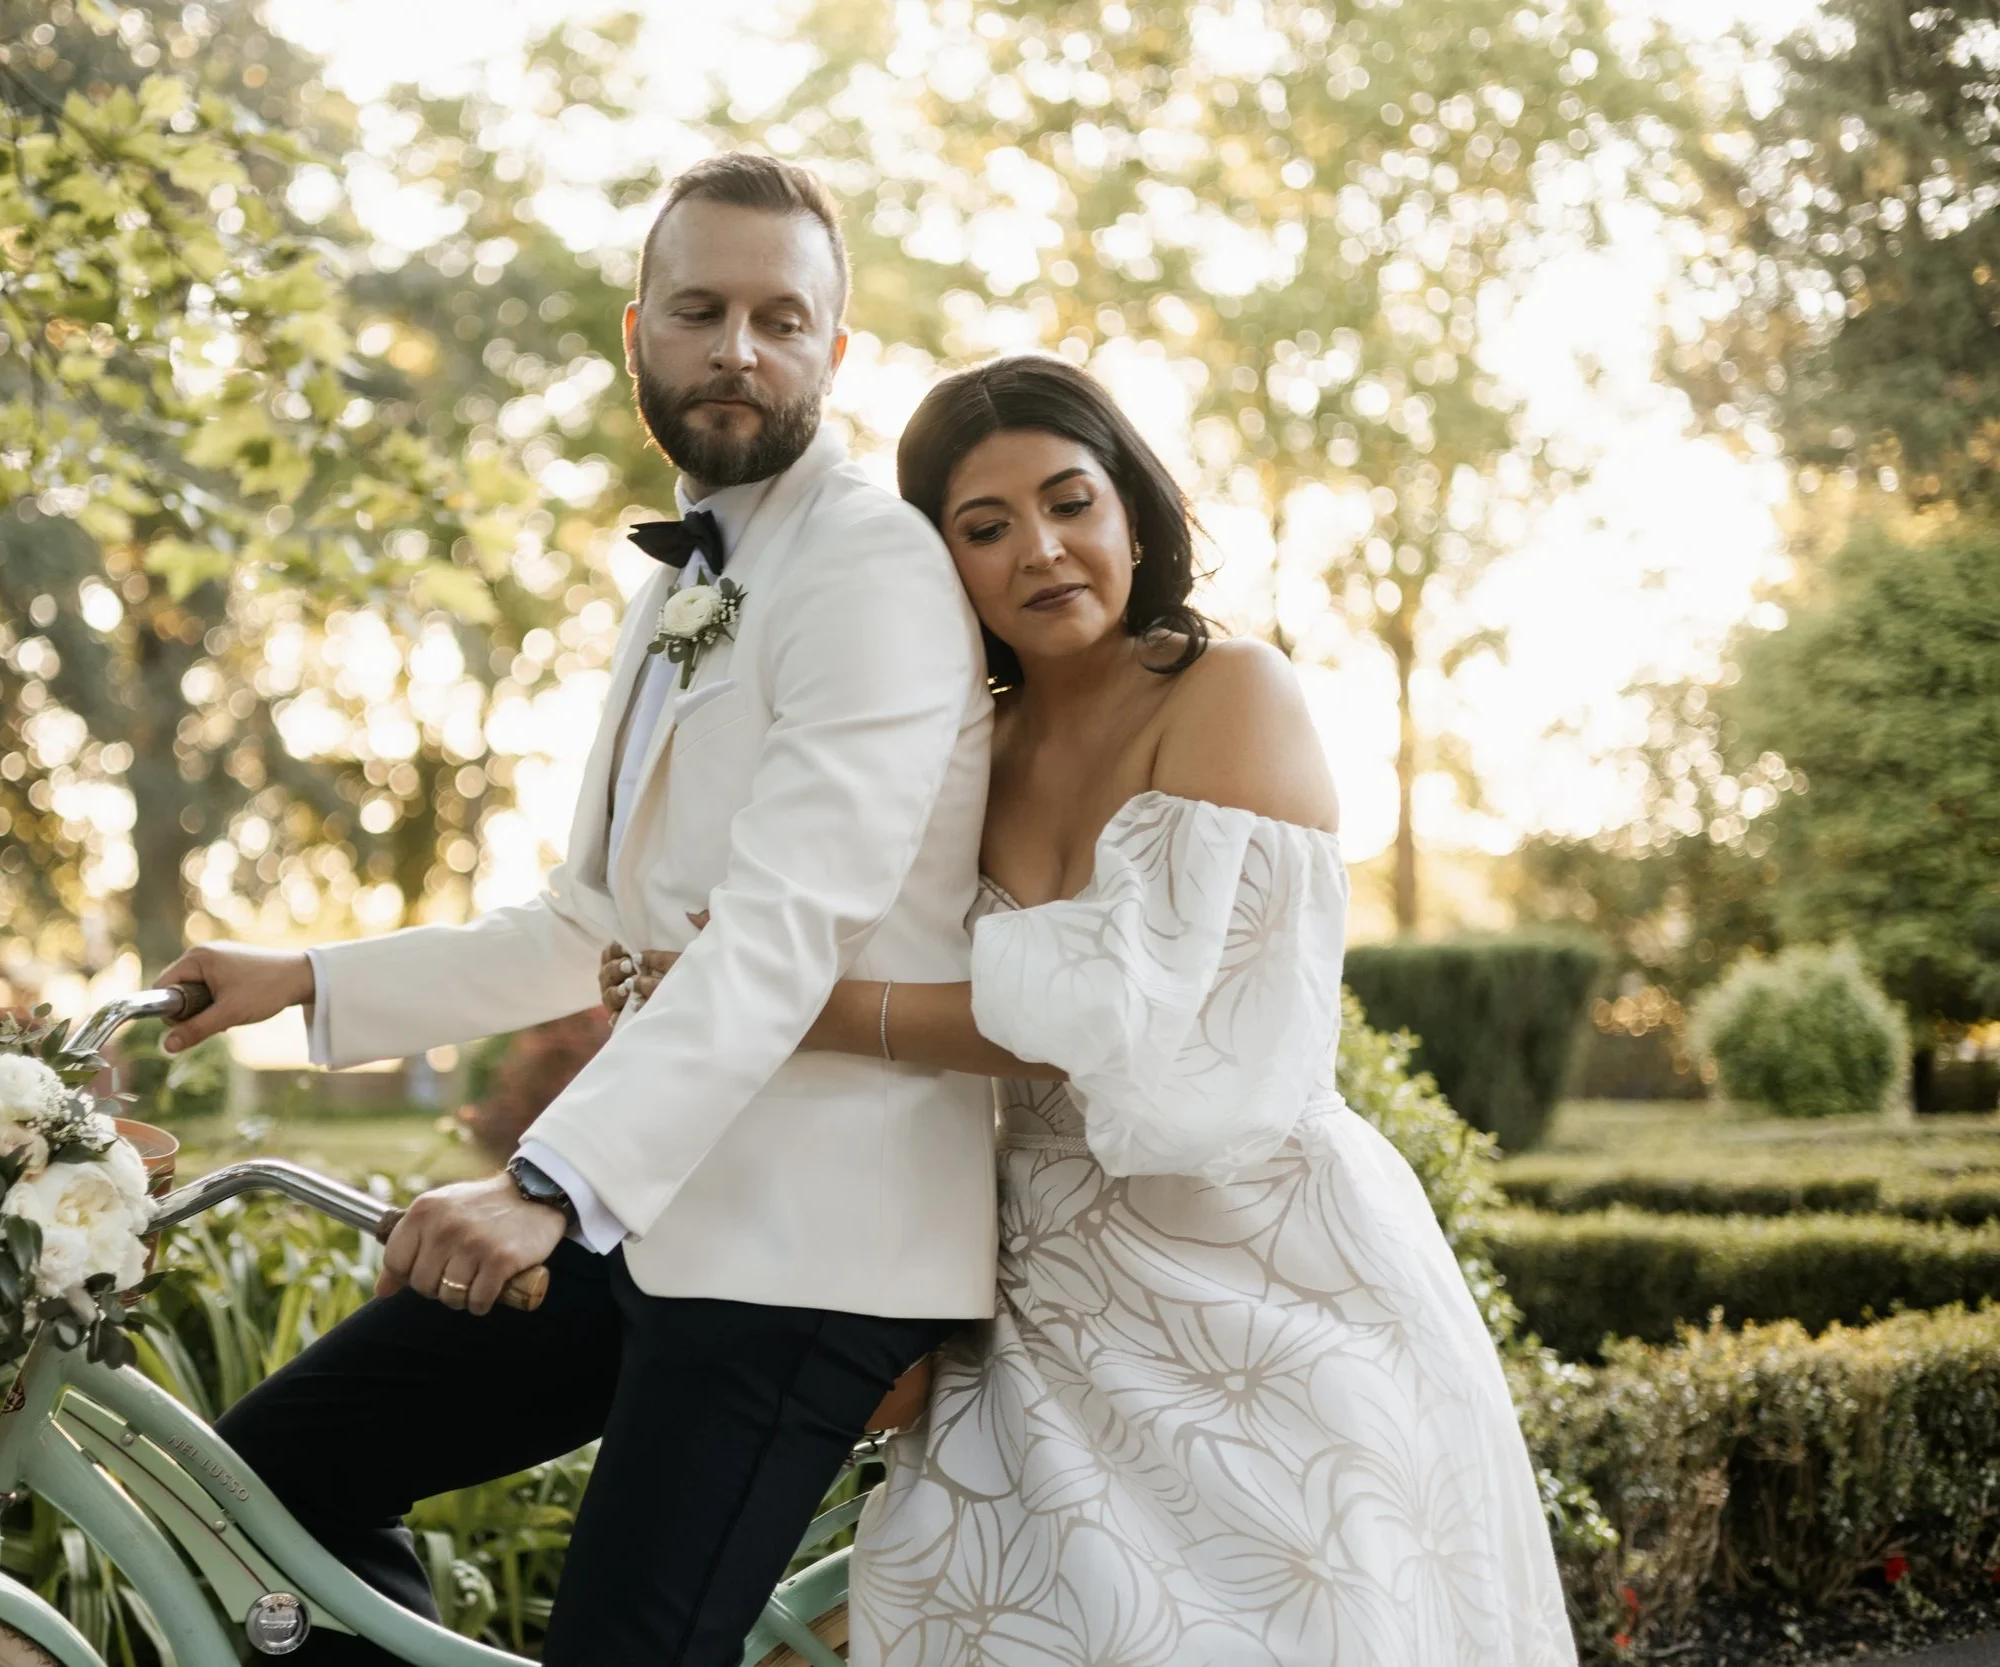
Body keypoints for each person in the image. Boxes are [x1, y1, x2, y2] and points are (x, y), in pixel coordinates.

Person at [152, 152, 1000, 1667]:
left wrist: (548, 1185)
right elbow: (581, 919)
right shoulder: (682, 579)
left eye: (779, 317)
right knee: (263, 1483)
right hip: (659, 1213)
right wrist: (300, 976)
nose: (738, 347)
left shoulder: (870, 568)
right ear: (637, 335)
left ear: (836, 353)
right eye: (700, 309)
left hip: (806, 1247)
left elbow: (779, 933)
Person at [605, 356, 1579, 1666]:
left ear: (1132, 511)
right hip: (1032, 1278)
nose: (1041, 549)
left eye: (1070, 501)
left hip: (1262, 1264)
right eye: (985, 526)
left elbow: (1128, 1011)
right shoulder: (963, 747)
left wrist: (811, 1007)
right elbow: (802, 904)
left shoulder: (1231, 691)